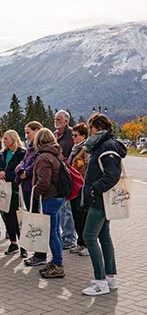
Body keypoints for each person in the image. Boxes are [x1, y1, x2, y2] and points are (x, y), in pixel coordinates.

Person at [80, 113, 126, 296]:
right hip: (102, 199)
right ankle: (110, 278)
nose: (89, 131)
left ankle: (100, 281)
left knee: (89, 236)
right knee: (104, 236)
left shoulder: (107, 146)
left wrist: (94, 189)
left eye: (90, 128)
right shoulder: (104, 144)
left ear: (97, 127)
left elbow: (112, 174)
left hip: (100, 200)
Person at [32, 128, 66, 279]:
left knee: (52, 233)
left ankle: (58, 265)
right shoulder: (56, 154)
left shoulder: (43, 157)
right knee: (56, 231)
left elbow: (43, 182)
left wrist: (35, 191)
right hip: (59, 196)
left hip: (50, 197)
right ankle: (56, 261)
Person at [16, 121, 47, 266]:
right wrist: (21, 170)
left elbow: (36, 165)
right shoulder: (29, 148)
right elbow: (23, 162)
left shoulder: (40, 149)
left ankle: (40, 254)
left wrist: (26, 173)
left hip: (35, 187)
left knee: (37, 220)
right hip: (27, 188)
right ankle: (36, 252)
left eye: (28, 132)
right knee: (32, 218)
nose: (26, 135)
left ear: (37, 131)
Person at [0, 130, 27, 257]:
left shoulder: (21, 153)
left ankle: (23, 246)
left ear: (14, 139)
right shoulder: (4, 153)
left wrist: (7, 174)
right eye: (4, 138)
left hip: (16, 189)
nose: (4, 141)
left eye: (6, 138)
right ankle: (13, 242)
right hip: (5, 189)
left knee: (18, 218)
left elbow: (20, 170)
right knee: (7, 216)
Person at [54, 110, 77, 250]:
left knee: (68, 209)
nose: (57, 121)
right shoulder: (54, 134)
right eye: (56, 119)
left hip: (68, 175)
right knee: (61, 208)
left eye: (59, 119)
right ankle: (64, 235)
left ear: (66, 121)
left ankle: (69, 237)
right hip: (57, 175)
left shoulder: (71, 134)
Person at [68, 123, 89, 257]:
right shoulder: (75, 148)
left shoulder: (86, 149)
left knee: (83, 216)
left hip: (82, 185)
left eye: (76, 135)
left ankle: (88, 244)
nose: (73, 137)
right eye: (73, 135)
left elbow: (85, 168)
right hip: (74, 186)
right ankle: (80, 242)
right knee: (76, 215)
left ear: (83, 136)